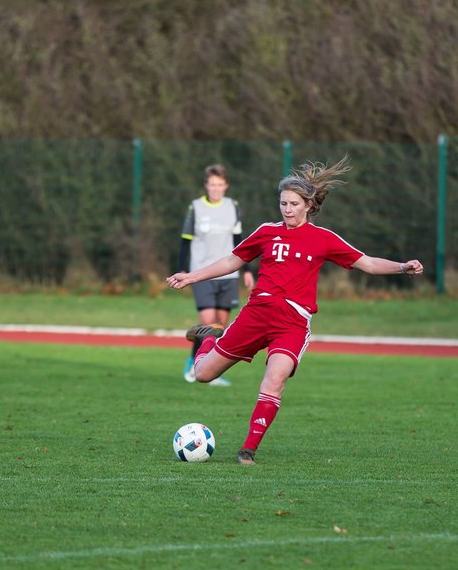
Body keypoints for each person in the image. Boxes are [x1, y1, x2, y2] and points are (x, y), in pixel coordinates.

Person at [166, 158, 423, 465]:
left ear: (309, 205)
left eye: (293, 204)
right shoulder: (266, 232)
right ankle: (211, 339)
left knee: (275, 379)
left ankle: (247, 450)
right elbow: (232, 261)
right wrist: (192, 276)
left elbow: (366, 262)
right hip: (255, 315)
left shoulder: (323, 239)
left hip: (291, 324)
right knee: (203, 374)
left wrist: (402, 267)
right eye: (283, 203)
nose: (286, 209)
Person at [178, 164, 254, 385]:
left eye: (220, 184)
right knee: (208, 323)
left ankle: (209, 371)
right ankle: (194, 364)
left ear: (226, 185)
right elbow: (185, 241)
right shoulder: (196, 207)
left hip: (228, 275)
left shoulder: (233, 206)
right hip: (201, 273)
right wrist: (183, 270)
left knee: (220, 326)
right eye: (212, 184)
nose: (216, 188)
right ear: (206, 185)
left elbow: (240, 243)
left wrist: (246, 270)